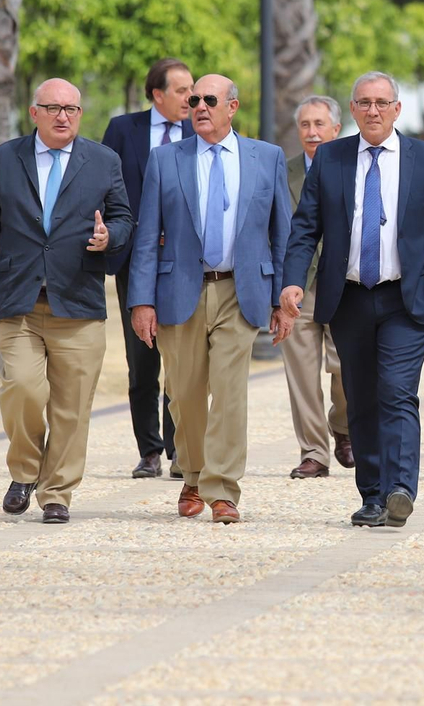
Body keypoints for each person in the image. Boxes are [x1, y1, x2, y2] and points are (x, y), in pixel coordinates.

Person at [278, 72, 424, 529]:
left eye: (382, 102)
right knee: (360, 399)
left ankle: (401, 488)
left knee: (397, 392)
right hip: (350, 298)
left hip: (407, 298)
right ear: (354, 110)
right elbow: (305, 227)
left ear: (397, 109)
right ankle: (374, 495)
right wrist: (293, 281)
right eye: (365, 103)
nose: (374, 110)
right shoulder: (333, 158)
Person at [0, 79, 133, 524]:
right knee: (21, 388)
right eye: (53, 108)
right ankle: (25, 469)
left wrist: (109, 236)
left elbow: (123, 218)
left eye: (72, 109)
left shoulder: (103, 160)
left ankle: (57, 493)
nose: (63, 116)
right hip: (20, 300)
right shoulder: (5, 158)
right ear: (33, 112)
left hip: (78, 302)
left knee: (72, 407)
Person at [128, 74, 289, 524]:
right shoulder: (165, 160)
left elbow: (283, 233)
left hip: (242, 290)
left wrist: (281, 298)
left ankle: (222, 490)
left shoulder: (267, 158)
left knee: (231, 392)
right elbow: (145, 237)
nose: (198, 105)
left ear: (232, 107)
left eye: (209, 99)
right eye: (193, 98)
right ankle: (194, 474)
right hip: (180, 291)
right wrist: (141, 302)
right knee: (184, 395)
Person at [100, 58, 193, 479]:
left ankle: (179, 448)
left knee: (181, 356)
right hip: (135, 260)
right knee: (142, 358)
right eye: (182, 91)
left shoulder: (199, 128)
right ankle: (149, 450)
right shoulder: (124, 130)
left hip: (184, 262)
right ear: (157, 95)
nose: (192, 99)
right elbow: (103, 186)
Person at [281, 95, 353, 479]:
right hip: (297, 289)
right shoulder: (284, 172)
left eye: (319, 124)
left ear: (336, 129)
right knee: (302, 374)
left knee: (345, 368)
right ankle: (314, 452)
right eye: (305, 125)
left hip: (344, 286)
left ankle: (342, 426)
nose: (311, 132)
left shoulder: (353, 167)